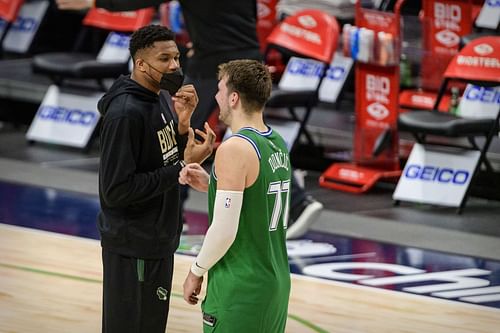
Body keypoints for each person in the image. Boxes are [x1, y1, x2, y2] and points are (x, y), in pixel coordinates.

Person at [56, 0, 323, 239]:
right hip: (243, 55)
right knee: (251, 133)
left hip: (215, 63)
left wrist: (96, 1)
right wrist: (205, 40)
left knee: (176, 133)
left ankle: (295, 205)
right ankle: (296, 204)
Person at [96, 24, 215, 333]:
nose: (175, 65)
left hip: (156, 240)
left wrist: (184, 127)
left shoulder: (160, 98)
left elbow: (163, 158)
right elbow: (116, 191)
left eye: (176, 57)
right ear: (141, 64)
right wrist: (182, 167)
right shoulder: (125, 114)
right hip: (133, 242)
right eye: (165, 59)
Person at [181, 59, 290, 332]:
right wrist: (213, 185)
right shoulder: (277, 142)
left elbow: (224, 230)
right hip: (274, 282)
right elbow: (257, 197)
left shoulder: (234, 149)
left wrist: (196, 271)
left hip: (240, 284)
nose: (215, 97)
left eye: (219, 90)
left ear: (233, 97)